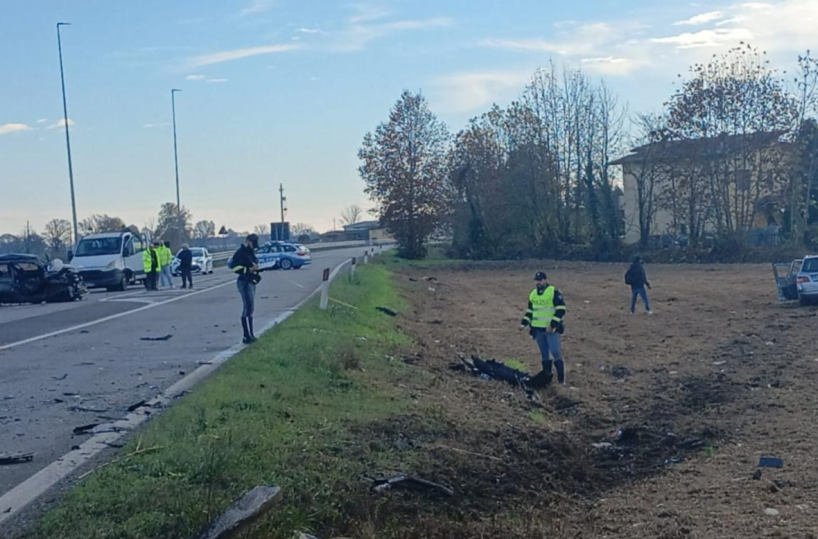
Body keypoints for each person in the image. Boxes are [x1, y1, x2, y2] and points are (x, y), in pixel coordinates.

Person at [520, 271, 567, 385]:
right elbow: (530, 311)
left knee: (555, 352)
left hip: (551, 330)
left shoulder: (553, 292)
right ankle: (547, 377)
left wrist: (553, 324)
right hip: (538, 330)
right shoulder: (533, 294)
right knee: (544, 354)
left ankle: (561, 379)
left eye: (540, 280)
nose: (538, 282)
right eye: (536, 280)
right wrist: (524, 323)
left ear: (545, 280)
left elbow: (561, 309)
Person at [232, 233, 261, 344]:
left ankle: (251, 334)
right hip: (244, 282)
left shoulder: (250, 252)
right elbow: (235, 268)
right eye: (253, 244)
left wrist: (257, 267)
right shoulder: (240, 253)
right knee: (247, 307)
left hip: (251, 281)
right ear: (248, 242)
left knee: (251, 307)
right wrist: (248, 269)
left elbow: (254, 261)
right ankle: (246, 335)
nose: (254, 246)